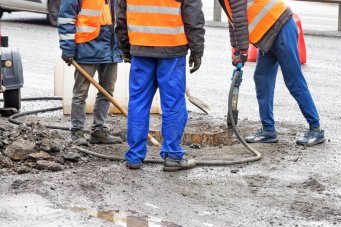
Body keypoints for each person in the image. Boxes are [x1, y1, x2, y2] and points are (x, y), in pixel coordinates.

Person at [218, 0, 325, 146]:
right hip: (268, 34)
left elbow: (240, 19)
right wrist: (237, 49)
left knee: (293, 80)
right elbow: (233, 22)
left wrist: (243, 51)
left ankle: (316, 129)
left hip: (281, 27)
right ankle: (268, 130)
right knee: (262, 78)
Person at [116, 0, 205, 171]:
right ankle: (172, 155)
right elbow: (193, 14)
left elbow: (121, 15)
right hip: (172, 49)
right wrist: (197, 49)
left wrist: (125, 46)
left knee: (138, 103)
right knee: (173, 104)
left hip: (141, 48)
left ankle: (134, 156)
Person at [58, 0, 123, 146]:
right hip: (87, 46)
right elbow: (66, 18)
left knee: (107, 91)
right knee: (81, 92)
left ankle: (99, 130)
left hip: (110, 47)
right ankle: (77, 131)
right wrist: (67, 49)